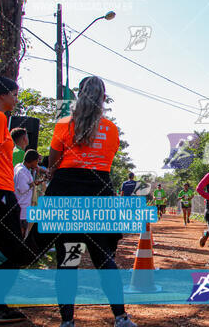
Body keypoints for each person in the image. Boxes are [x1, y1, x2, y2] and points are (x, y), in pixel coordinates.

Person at [42, 76, 137, 327]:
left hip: (66, 193)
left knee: (68, 259)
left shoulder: (64, 124)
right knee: (104, 258)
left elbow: (52, 160)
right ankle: (121, 317)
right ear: (103, 99)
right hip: (98, 192)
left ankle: (67, 322)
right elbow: (108, 158)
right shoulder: (111, 129)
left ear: (79, 95)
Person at [0, 76, 34, 324]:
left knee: (6, 250)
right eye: (14, 93)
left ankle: (0, 305)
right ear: (2, 94)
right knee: (14, 251)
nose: (16, 98)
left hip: (3, 190)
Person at [14, 149, 42, 238]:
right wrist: (33, 184)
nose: (37, 164)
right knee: (21, 234)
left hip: (23, 207)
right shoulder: (21, 171)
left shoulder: (20, 167)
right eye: (36, 161)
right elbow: (22, 189)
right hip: (22, 208)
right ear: (32, 161)